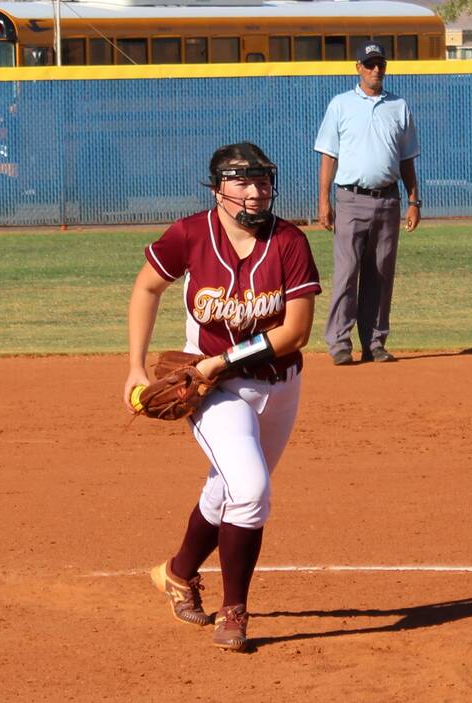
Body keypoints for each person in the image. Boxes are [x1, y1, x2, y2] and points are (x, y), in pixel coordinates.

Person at [122, 142, 321, 652]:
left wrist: (220, 359)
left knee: (227, 489)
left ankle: (177, 572)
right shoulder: (191, 234)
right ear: (218, 189)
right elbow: (147, 289)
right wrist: (135, 367)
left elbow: (295, 332)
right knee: (250, 490)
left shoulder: (289, 242)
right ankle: (234, 611)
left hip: (278, 385)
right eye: (243, 182)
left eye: (263, 181)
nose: (256, 192)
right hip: (214, 391)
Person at [314, 41, 421, 366]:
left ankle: (375, 342)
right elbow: (329, 155)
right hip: (350, 198)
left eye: (380, 64)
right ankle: (339, 343)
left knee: (381, 274)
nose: (376, 70)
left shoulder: (398, 106)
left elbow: (406, 159)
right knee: (347, 273)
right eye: (370, 64)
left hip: (388, 199)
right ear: (358, 67)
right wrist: (323, 201)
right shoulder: (341, 104)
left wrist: (414, 200)